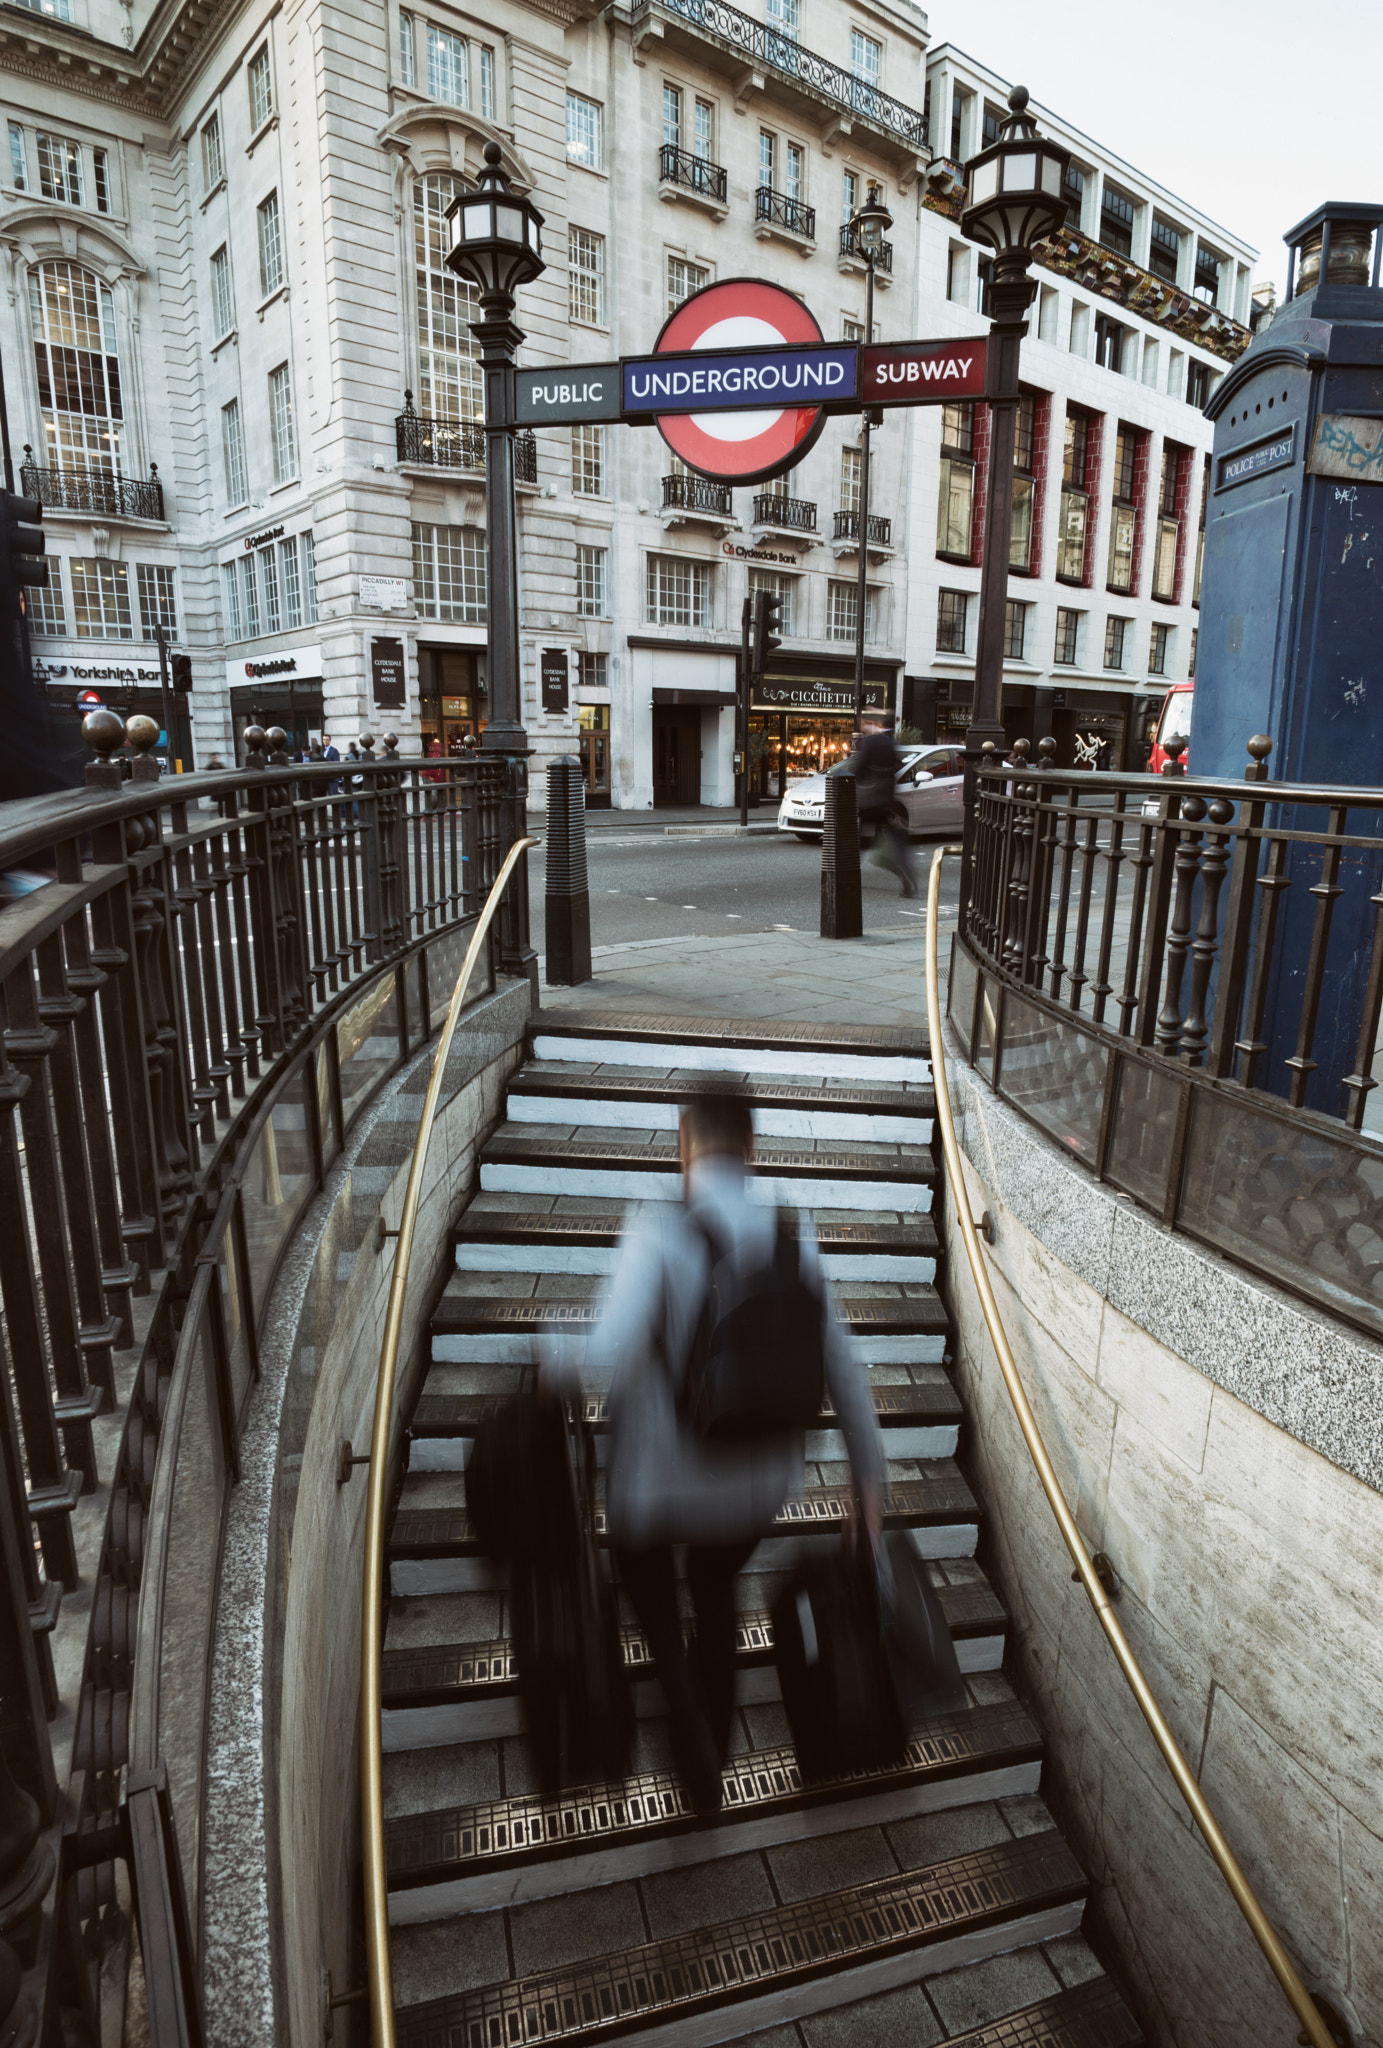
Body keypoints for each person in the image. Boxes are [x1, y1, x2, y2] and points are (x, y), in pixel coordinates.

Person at [590, 1089, 885, 1814]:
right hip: (757, 1484)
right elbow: (840, 1366)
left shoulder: (658, 1229)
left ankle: (682, 1710)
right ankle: (714, 1752)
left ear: (684, 1139)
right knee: (716, 1585)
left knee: (643, 1571)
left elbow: (601, 1350)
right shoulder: (791, 1233)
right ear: (749, 1144)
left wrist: (537, 1366)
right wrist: (867, 1482)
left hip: (659, 1479)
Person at [849, 713, 916, 898]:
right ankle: (905, 875)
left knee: (862, 838)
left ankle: (849, 875)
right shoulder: (890, 741)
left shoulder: (871, 742)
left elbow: (859, 768)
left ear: (872, 723)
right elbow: (895, 767)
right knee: (893, 839)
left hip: (870, 799)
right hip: (886, 799)